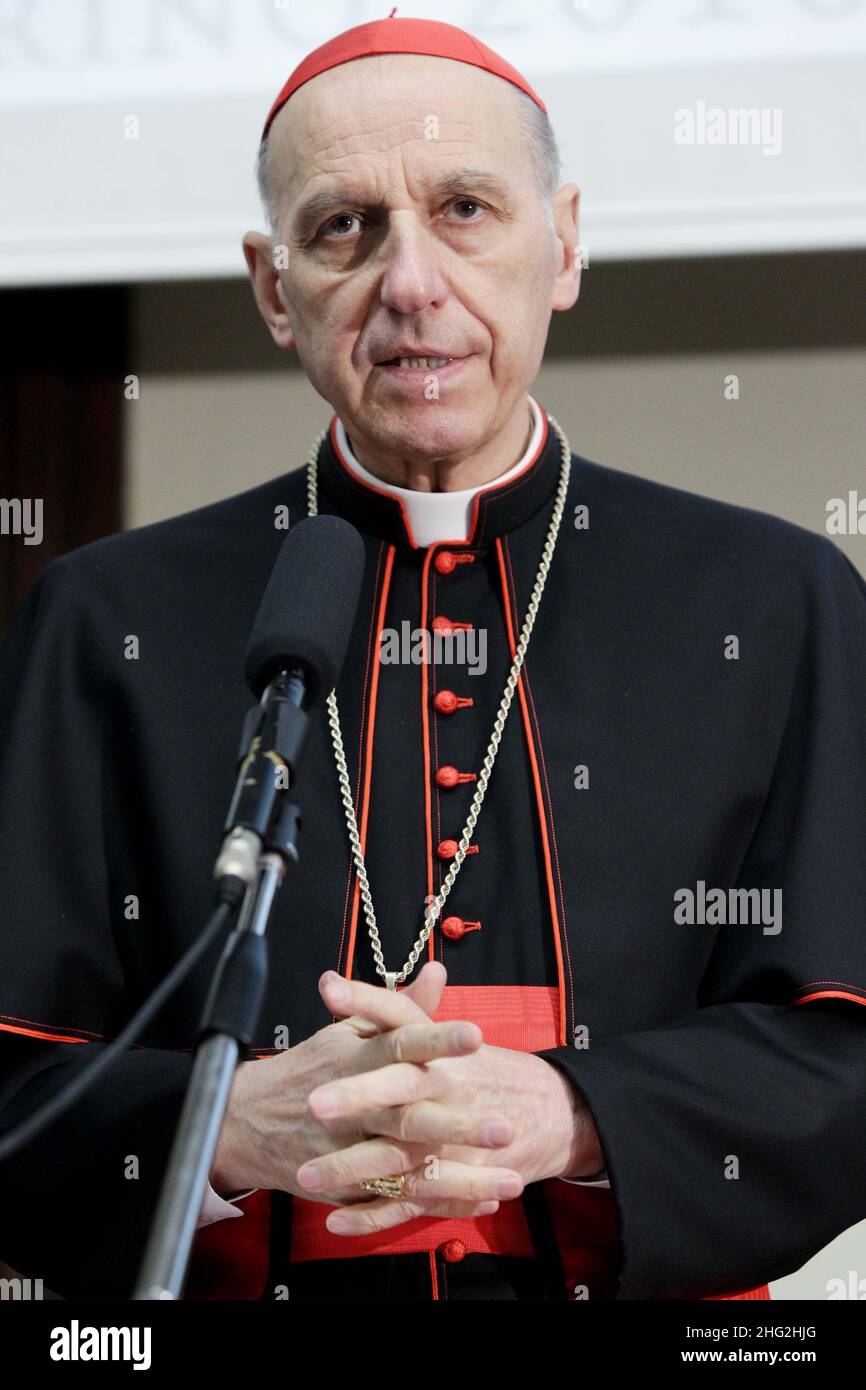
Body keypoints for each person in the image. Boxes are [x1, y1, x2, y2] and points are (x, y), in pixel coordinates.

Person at [1, 16, 865, 1302]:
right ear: (271, 285)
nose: (410, 283)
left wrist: (574, 1112)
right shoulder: (100, 616)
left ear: (562, 243)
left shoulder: (776, 597)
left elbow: (843, 1049)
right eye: (343, 226)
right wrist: (227, 1126)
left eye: (463, 209)